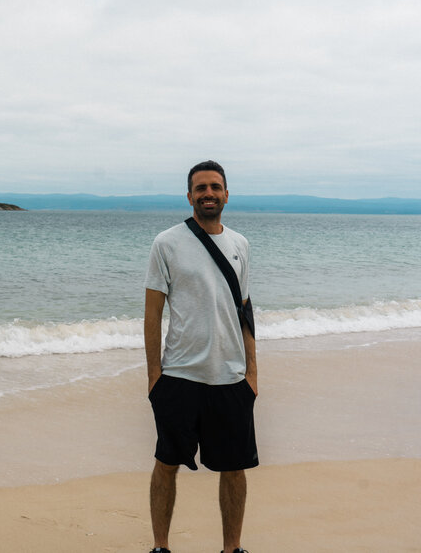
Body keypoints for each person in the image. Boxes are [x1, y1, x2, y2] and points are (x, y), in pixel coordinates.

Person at [143, 160, 258, 553]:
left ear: (227, 194)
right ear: (189, 195)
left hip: (230, 376)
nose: (208, 193)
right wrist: (154, 376)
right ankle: (161, 546)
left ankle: (232, 548)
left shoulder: (240, 244)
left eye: (215, 187)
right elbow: (152, 314)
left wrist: (252, 374)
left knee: (234, 467)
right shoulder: (167, 243)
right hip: (178, 377)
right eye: (200, 188)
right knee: (166, 463)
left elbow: (245, 310)